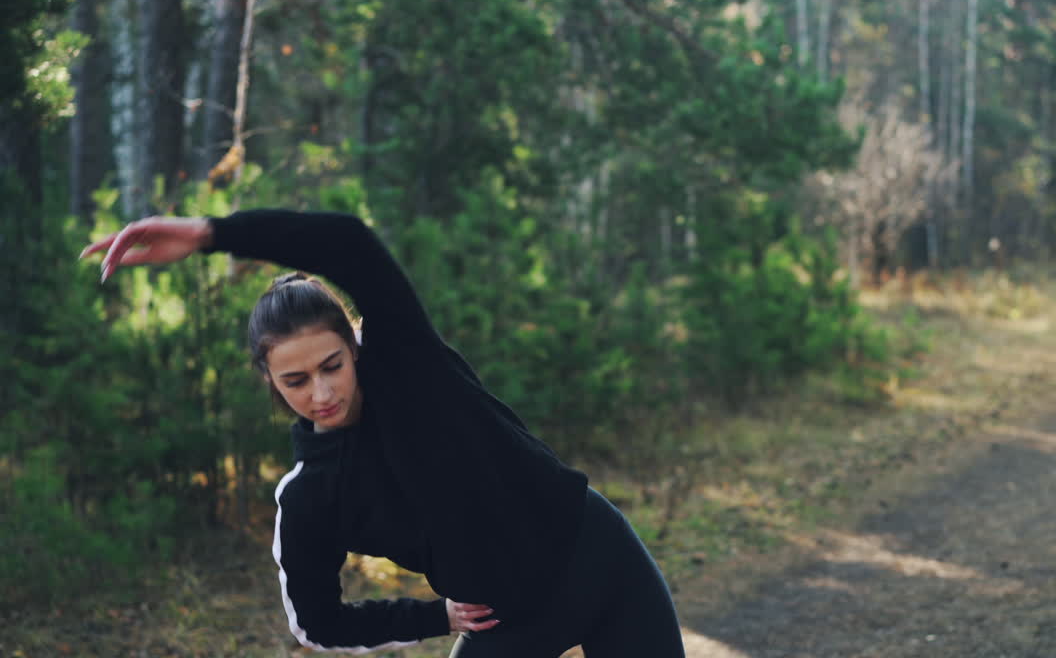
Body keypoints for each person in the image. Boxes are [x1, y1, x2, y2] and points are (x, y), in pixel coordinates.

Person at [81, 210, 686, 657]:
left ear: (355, 347)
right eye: (295, 380)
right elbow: (316, 621)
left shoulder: (406, 360)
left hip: (599, 559)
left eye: (332, 366)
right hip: (504, 621)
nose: (321, 393)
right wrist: (434, 617)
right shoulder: (312, 493)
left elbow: (347, 241)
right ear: (268, 380)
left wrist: (210, 234)